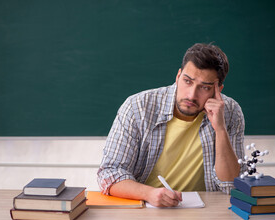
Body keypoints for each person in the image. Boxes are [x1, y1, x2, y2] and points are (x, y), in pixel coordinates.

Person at [97, 43, 245, 207]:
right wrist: (149, 193)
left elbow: (231, 185)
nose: (191, 95)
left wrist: (220, 129)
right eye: (187, 81)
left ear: (218, 90)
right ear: (178, 76)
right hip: (146, 209)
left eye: (204, 87)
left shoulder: (230, 112)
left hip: (205, 212)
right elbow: (109, 174)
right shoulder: (137, 107)